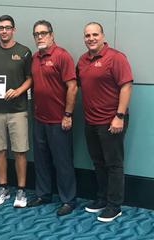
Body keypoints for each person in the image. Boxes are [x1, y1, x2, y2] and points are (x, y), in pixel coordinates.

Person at [77, 22, 133, 222]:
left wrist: (119, 116)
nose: (91, 38)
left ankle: (114, 205)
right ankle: (101, 199)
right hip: (90, 121)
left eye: (94, 34)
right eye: (87, 35)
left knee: (113, 164)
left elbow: (126, 87)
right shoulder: (82, 60)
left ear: (102, 36)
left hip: (112, 121)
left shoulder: (116, 58)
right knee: (98, 163)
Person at [27, 20, 77, 216]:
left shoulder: (62, 56)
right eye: (36, 34)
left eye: (43, 33)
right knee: (41, 160)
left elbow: (72, 87)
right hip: (39, 119)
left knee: (62, 161)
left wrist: (68, 114)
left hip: (59, 120)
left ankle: (68, 200)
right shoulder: (33, 57)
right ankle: (43, 194)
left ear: (52, 34)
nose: (40, 37)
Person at [0, 15, 32, 208]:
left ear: (13, 29)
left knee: (20, 151)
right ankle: (3, 188)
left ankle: (21, 191)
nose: (4, 31)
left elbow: (30, 79)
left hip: (18, 110)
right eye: (1, 28)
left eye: (7, 28)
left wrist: (17, 92)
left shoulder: (24, 52)